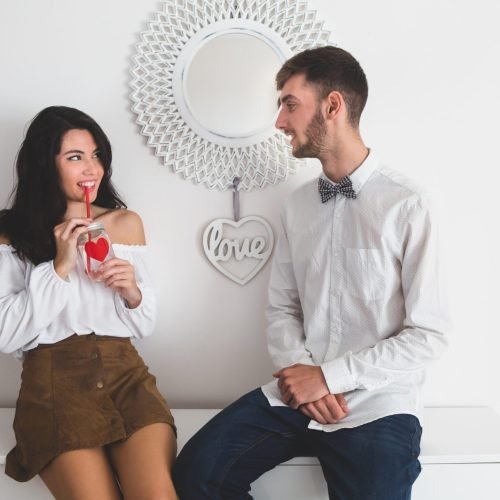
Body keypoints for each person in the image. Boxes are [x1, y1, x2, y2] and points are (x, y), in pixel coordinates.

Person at [173, 46, 450, 499]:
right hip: (294, 393)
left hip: (378, 404)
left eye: (289, 103)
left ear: (333, 105)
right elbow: (283, 306)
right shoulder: (298, 205)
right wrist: (301, 373)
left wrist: (330, 377)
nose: (280, 121)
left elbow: (430, 334)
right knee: (196, 474)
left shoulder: (409, 204)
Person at [0, 106, 178, 499]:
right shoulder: (9, 233)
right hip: (52, 385)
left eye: (96, 156)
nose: (91, 169)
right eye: (75, 157)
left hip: (126, 377)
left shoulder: (123, 223)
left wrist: (132, 293)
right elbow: (8, 334)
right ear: (45, 164)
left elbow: (143, 326)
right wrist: (60, 266)